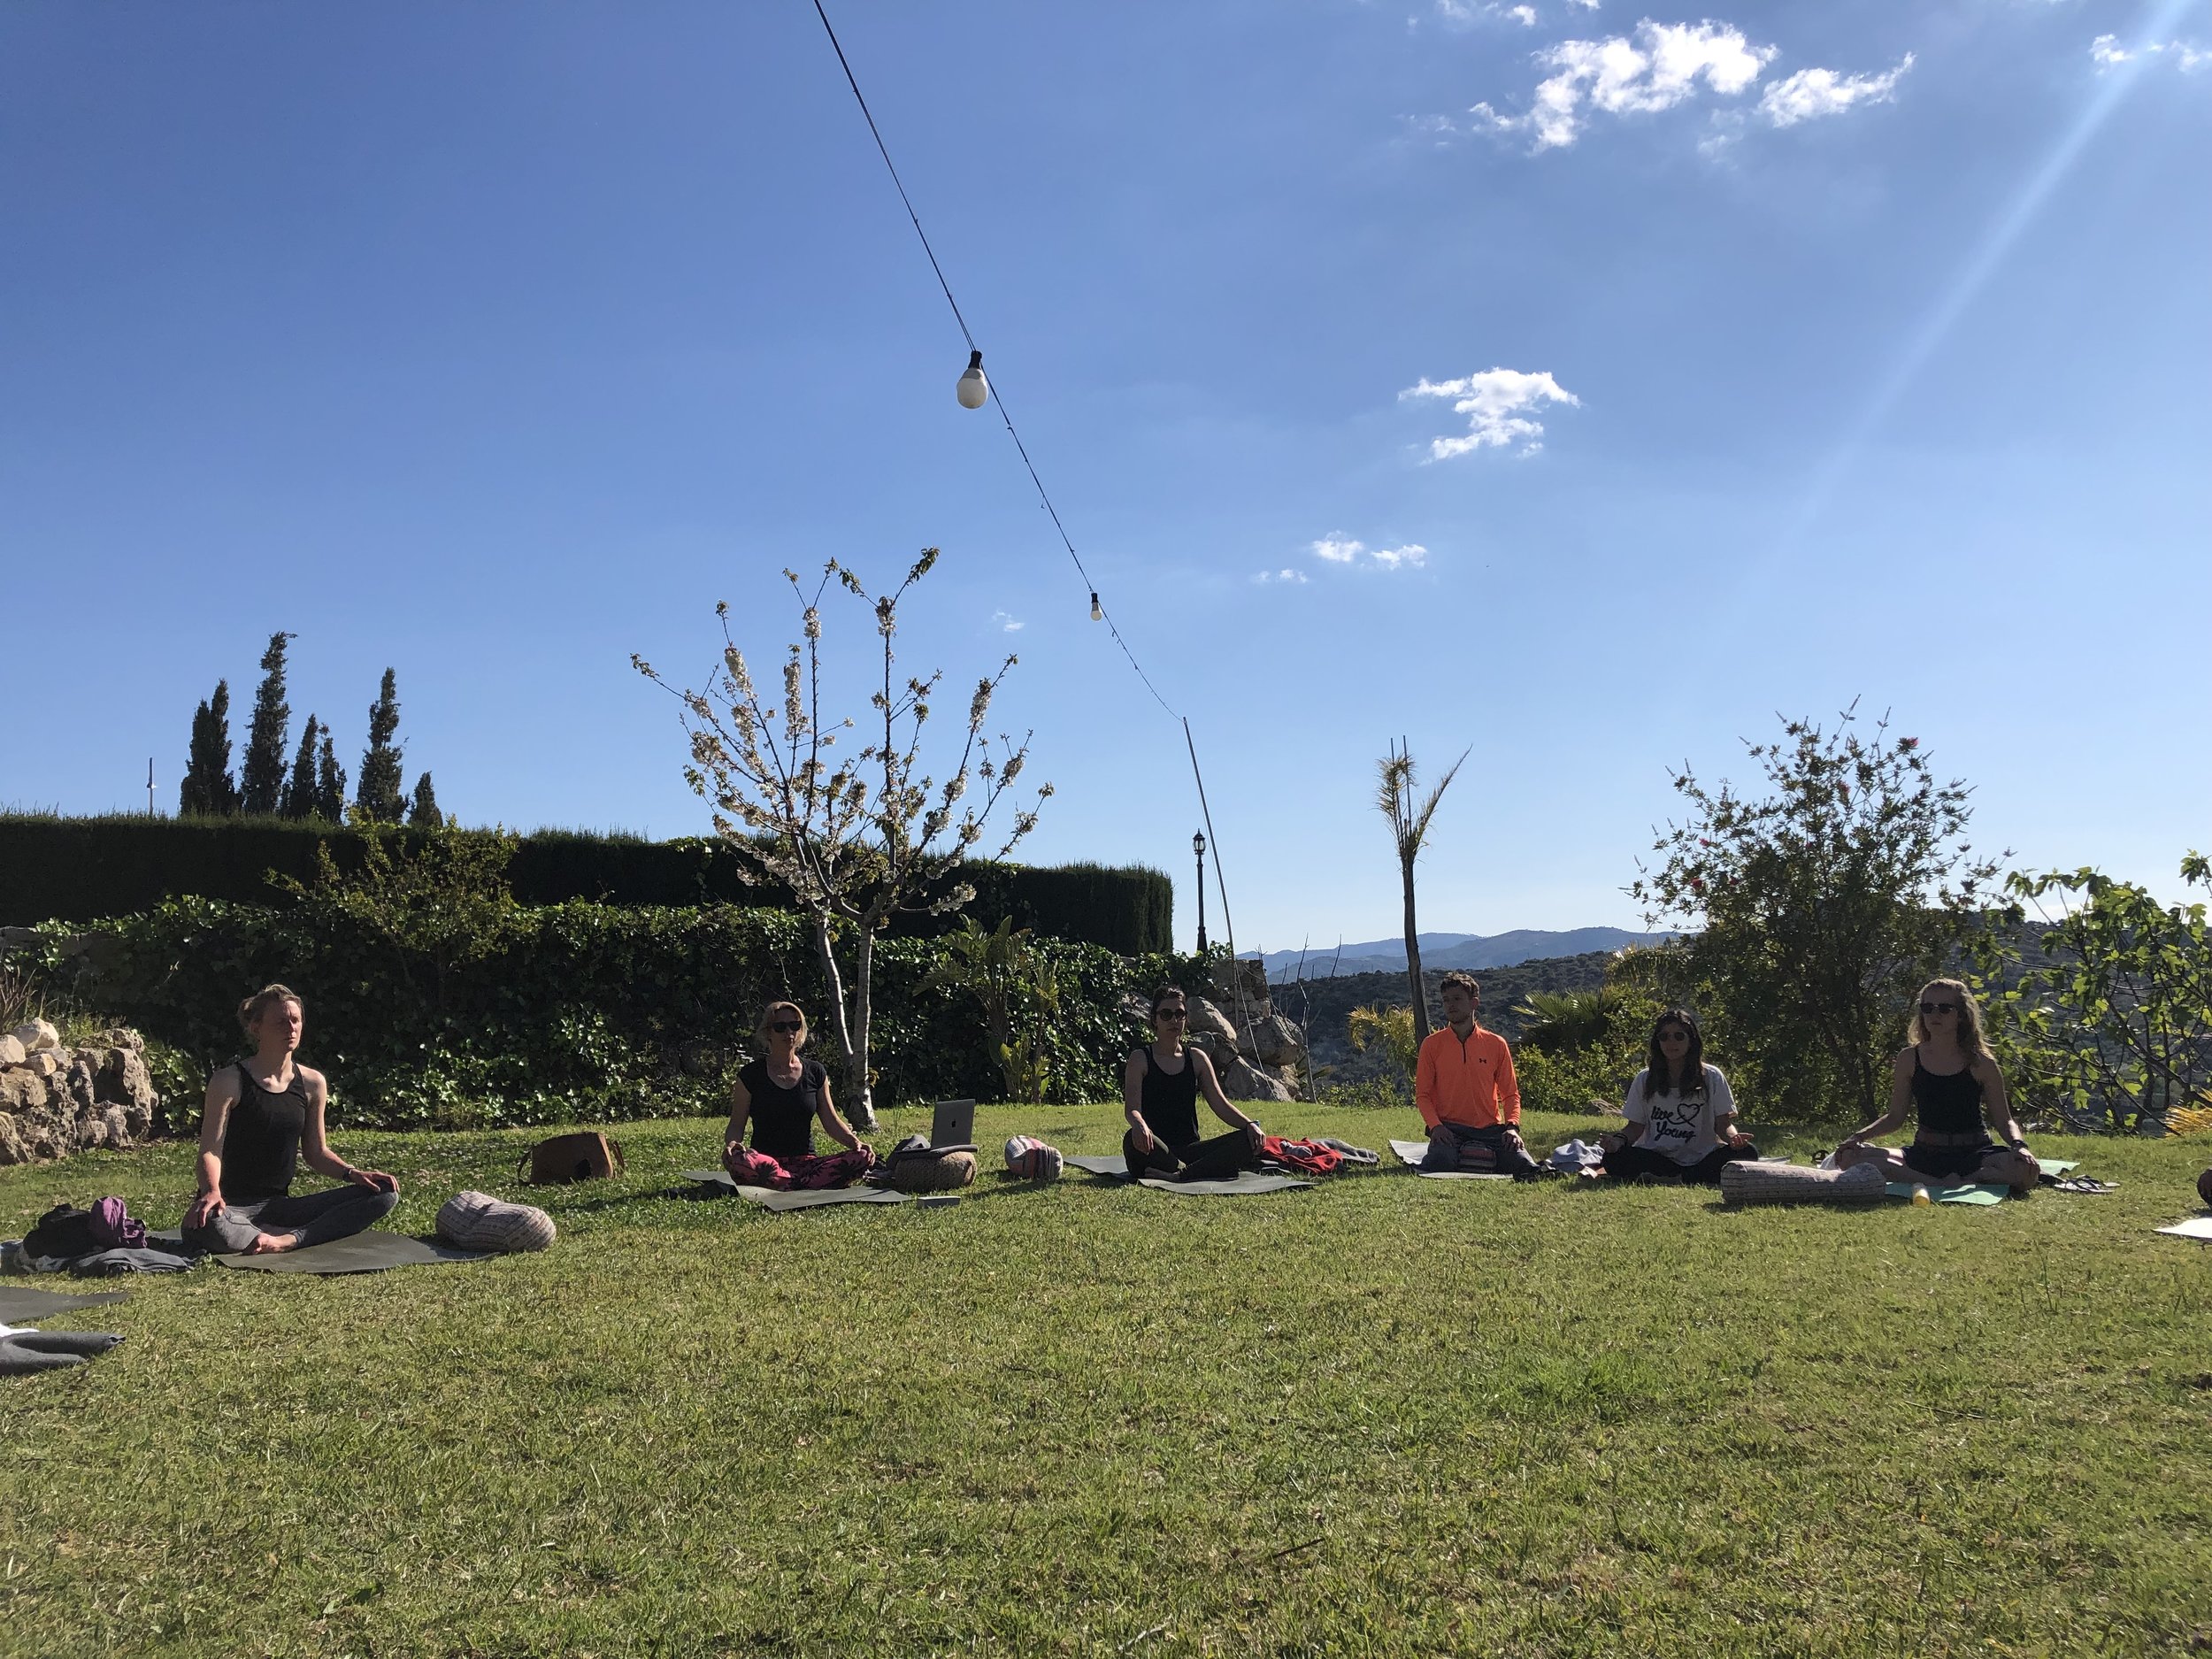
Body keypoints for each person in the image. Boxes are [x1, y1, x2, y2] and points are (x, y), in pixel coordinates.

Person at [181, 985, 400, 1255]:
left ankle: (286, 1240)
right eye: (281, 1021)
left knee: (383, 1194)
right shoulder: (229, 1080)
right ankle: (275, 1235)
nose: (291, 1028)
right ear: (256, 1028)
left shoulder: (312, 1082)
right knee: (206, 1225)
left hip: (280, 1208)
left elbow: (316, 1152)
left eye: (295, 1020)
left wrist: (353, 1174)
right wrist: (211, 1191)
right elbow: (210, 1151)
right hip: (229, 1207)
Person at [1834, 979, 2041, 1194]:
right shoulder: (1909, 1058)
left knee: (2024, 1170)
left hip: (1975, 1153)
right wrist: (1856, 1138)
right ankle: (1939, 1183)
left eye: (1944, 1009)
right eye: (1927, 1008)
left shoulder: (1982, 1063)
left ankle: (1970, 1178)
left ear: (1961, 1015)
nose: (1935, 1014)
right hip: (1924, 1153)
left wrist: (2019, 1146)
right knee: (1848, 1158)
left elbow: (2004, 1119)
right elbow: (1895, 1117)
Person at [1592, 1009, 1758, 1184]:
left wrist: (1734, 1139)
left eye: (1678, 1036)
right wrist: (1617, 1142)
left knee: (1747, 1153)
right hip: (1657, 1157)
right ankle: (1685, 1178)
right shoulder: (1645, 1079)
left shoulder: (1712, 1076)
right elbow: (1634, 1128)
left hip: (1702, 1158)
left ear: (1691, 1040)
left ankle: (1674, 1178)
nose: (1671, 1042)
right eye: (1664, 1037)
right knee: (1613, 1159)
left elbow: (1723, 1124)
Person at [1123, 986, 1265, 1181]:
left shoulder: (1197, 1058)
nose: (1173, 1020)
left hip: (1191, 1150)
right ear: (1154, 1019)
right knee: (1131, 1139)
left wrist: (1250, 1125)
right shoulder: (1140, 1059)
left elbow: (1220, 1104)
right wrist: (1139, 1125)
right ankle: (1196, 1171)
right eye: (1166, 1014)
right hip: (1156, 1147)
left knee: (1247, 1140)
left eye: (1179, 1014)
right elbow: (1132, 1109)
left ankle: (1181, 1174)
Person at [724, 1001, 871, 1173]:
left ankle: (791, 1182)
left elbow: (831, 1121)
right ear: (768, 1032)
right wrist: (732, 1146)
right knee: (746, 1164)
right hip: (764, 1164)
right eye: (780, 1027)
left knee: (860, 1158)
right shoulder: (750, 1075)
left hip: (806, 1164)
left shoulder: (816, 1071)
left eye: (795, 1025)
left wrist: (856, 1144)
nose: (789, 1032)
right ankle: (792, 1182)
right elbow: (736, 1125)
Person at [1415, 972, 1539, 1177]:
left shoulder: (1496, 1044)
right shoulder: (1431, 1045)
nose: (1450, 1005)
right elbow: (1423, 1095)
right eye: (1446, 1000)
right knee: (1439, 1163)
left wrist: (1512, 1127)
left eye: (1457, 999)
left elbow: (1511, 1094)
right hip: (1450, 1129)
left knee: (1524, 1165)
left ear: (1474, 1003)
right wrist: (1436, 1127)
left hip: (1490, 1130)